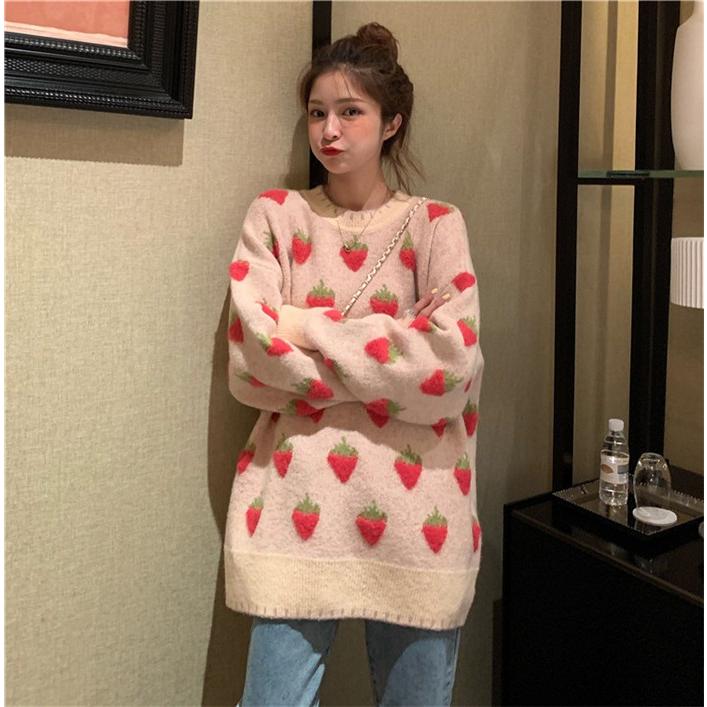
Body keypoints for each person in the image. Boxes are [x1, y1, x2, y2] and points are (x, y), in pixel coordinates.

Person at [225, 21, 484, 706]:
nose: (329, 130)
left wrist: (301, 325)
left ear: (391, 121)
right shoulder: (276, 216)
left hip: (421, 523)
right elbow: (250, 363)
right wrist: (395, 344)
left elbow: (448, 375)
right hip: (292, 514)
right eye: (317, 113)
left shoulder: (437, 224)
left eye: (350, 111)